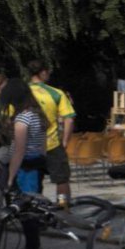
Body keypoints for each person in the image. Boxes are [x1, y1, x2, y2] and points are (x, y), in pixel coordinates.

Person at [1, 79, 48, 249]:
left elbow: (19, 151)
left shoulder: (22, 118)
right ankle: (33, 247)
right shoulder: (37, 114)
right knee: (31, 207)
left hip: (24, 169)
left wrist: (11, 177)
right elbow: (43, 146)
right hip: (36, 165)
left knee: (25, 210)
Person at [27, 61, 75, 206]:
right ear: (43, 72)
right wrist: (65, 141)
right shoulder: (55, 93)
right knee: (61, 180)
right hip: (52, 144)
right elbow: (69, 119)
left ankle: (34, 212)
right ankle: (63, 208)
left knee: (31, 183)